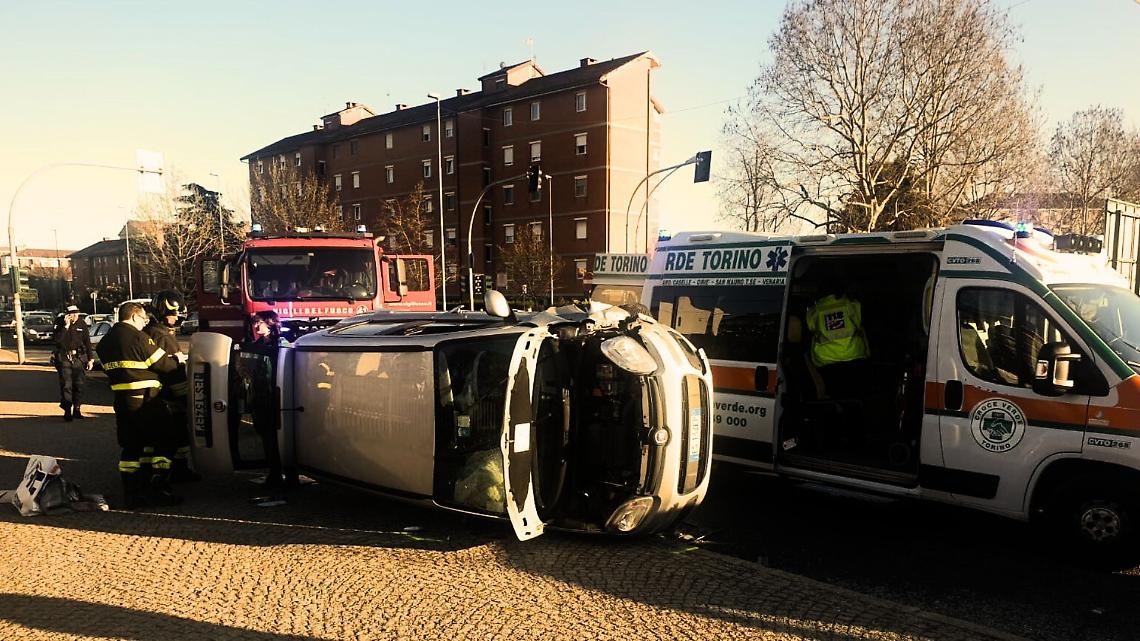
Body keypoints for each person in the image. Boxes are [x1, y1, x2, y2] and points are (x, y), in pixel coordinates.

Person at [96, 301, 183, 509]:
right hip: (147, 400)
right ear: (134, 316)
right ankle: (159, 490)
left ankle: (133, 494)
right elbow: (165, 365)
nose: (145, 323)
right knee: (165, 441)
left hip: (122, 401)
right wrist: (178, 359)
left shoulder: (104, 342)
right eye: (144, 319)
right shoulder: (139, 338)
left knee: (132, 448)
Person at [142, 291, 199, 483]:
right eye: (173, 314)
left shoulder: (152, 332)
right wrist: (185, 397)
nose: (176, 317)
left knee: (159, 440)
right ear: (162, 313)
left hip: (157, 396)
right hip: (169, 398)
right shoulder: (162, 336)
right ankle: (174, 474)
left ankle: (171, 471)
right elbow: (173, 372)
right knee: (176, 437)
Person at [806, 278, 870, 399]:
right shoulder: (851, 304)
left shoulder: (816, 310)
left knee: (835, 396)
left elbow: (810, 327)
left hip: (826, 361)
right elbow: (861, 322)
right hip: (855, 356)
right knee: (856, 395)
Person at [244, 310, 287, 490]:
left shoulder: (281, 344)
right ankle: (274, 472)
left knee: (276, 438)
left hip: (275, 399)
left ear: (269, 323)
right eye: (254, 323)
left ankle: (280, 473)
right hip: (260, 398)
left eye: (258, 322)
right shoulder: (257, 344)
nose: (255, 326)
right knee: (266, 438)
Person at [51, 305, 94, 421]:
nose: (75, 316)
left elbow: (87, 342)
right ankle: (67, 410)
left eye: (77, 313)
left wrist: (90, 358)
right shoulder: (60, 323)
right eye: (72, 313)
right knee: (66, 386)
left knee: (79, 385)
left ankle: (77, 409)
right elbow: (56, 341)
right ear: (67, 314)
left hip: (78, 359)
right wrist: (66, 327)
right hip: (64, 358)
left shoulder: (82, 324)